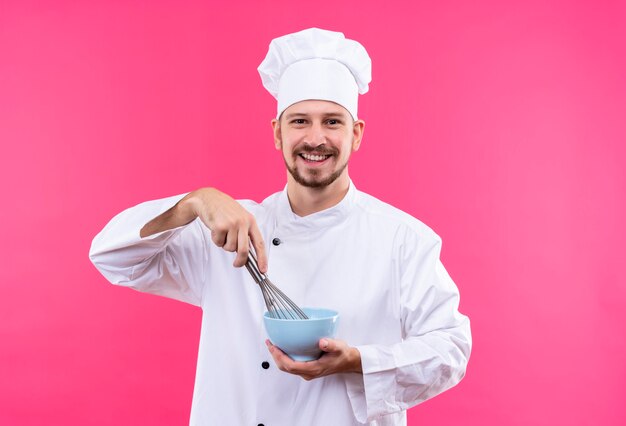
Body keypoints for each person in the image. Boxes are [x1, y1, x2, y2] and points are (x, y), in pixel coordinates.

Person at [89, 28, 472, 426]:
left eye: (333, 122)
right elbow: (110, 257)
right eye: (300, 120)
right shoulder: (229, 231)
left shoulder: (402, 241)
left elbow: (452, 349)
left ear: (356, 134)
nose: (316, 138)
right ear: (277, 132)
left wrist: (359, 362)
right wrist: (193, 202)